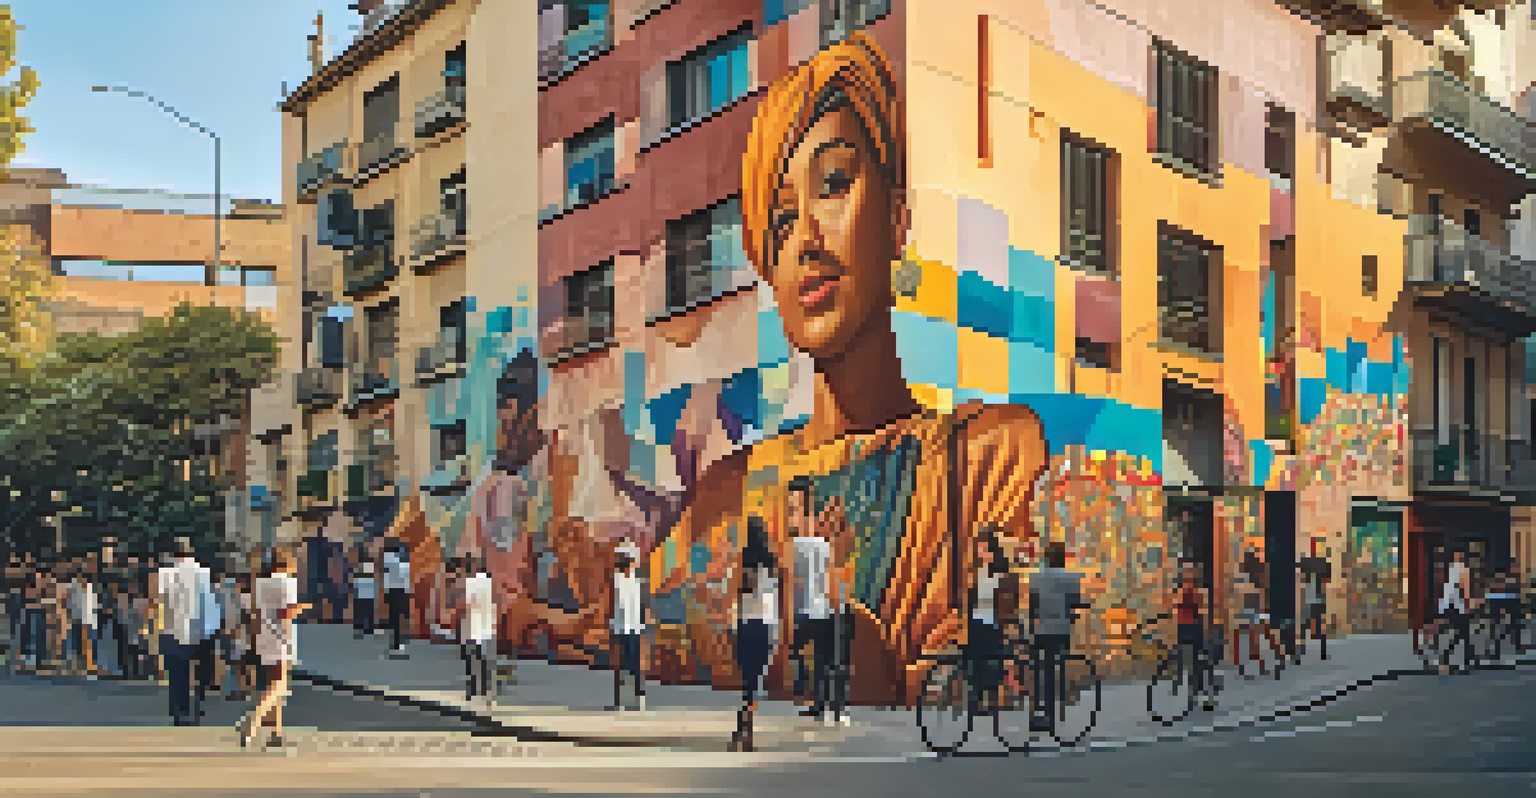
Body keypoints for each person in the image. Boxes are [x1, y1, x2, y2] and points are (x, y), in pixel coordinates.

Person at [652, 31, 1052, 708]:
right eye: (779, 224)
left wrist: (832, 603)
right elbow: (669, 640)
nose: (806, 239)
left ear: (898, 218)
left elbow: (948, 681)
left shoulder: (987, 453)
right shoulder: (728, 490)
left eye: (834, 186)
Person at [239, 548, 310, 749]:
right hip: (281, 637)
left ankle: (276, 733)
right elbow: (285, 612)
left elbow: (254, 611)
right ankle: (254, 719)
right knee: (278, 685)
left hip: (263, 636)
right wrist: (303, 607)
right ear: (287, 563)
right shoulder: (286, 582)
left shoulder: (261, 583)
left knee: (273, 684)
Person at [730, 517, 781, 753]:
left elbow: (738, 599)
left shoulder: (743, 567)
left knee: (747, 679)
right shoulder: (773, 567)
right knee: (757, 680)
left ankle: (744, 723)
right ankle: (746, 723)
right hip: (767, 625)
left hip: (746, 624)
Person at [789, 476, 834, 721]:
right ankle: (820, 701)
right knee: (821, 660)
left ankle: (811, 694)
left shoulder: (796, 546)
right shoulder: (823, 545)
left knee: (798, 650)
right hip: (822, 609)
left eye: (794, 509)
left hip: (805, 610)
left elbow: (790, 580)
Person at [1029, 541, 1084, 731]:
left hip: (1041, 630)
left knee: (1040, 669)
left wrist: (1030, 625)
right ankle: (1054, 711)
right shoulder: (1070, 577)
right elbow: (1075, 602)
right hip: (1061, 629)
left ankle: (1038, 711)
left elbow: (1032, 606)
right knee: (1056, 667)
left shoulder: (1035, 578)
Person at [157, 539, 212, 726]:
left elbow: (159, 601)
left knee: (177, 673)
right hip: (199, 629)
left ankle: (179, 711)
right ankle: (199, 707)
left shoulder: (166, 573)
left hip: (172, 629)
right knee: (199, 672)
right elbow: (209, 602)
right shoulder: (203, 573)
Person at [968, 526, 1018, 717]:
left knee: (992, 663)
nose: (980, 552)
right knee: (976, 662)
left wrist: (1005, 625)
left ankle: (992, 699)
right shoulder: (977, 572)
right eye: (979, 548)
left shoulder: (1002, 573)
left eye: (983, 548)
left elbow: (1006, 602)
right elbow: (972, 598)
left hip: (992, 623)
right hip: (977, 622)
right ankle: (978, 700)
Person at [609, 541, 649, 713]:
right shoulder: (617, 580)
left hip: (633, 626)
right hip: (620, 627)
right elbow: (614, 603)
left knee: (633, 664)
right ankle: (620, 701)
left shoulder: (635, 581)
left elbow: (641, 604)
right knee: (621, 664)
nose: (626, 564)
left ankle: (638, 698)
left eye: (628, 560)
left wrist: (642, 623)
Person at [1171, 560, 1214, 710]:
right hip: (1183, 629)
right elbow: (1175, 612)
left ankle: (1203, 694)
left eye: (1190, 571)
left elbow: (1203, 613)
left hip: (1196, 629)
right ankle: (1189, 693)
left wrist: (1206, 633)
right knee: (1185, 662)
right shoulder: (1180, 591)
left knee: (1199, 663)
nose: (1187, 574)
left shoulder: (1199, 591)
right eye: (1185, 571)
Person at [461, 555, 497, 705]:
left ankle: (472, 689)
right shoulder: (488, 582)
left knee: (471, 658)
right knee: (483, 658)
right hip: (486, 623)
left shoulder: (471, 582)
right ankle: (485, 688)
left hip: (474, 624)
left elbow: (469, 604)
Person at [1438, 548, 1474, 673]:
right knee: (1463, 634)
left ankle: (1453, 657)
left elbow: (1445, 589)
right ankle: (1464, 660)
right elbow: (1466, 589)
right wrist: (1468, 604)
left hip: (1449, 606)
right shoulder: (1464, 570)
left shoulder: (1450, 571)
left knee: (1461, 633)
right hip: (1459, 606)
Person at [195, 564, 225, 714]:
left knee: (199, 664)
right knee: (206, 663)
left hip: (196, 633)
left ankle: (199, 690)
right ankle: (202, 689)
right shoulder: (217, 592)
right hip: (209, 633)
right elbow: (221, 612)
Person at [1296, 538, 1331, 661]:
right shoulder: (1321, 566)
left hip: (1310, 600)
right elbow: (1327, 579)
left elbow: (1301, 576)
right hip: (1317, 600)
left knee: (1305, 626)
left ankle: (1301, 652)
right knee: (1317, 626)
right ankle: (1321, 652)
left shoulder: (1307, 566)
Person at [382, 541, 411, 657]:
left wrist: (386, 591)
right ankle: (399, 643)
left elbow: (387, 576)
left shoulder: (389, 560)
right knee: (400, 618)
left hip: (394, 591)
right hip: (401, 591)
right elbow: (405, 578)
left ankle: (396, 643)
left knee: (394, 619)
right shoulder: (404, 562)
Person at [353, 558, 378, 640]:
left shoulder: (363, 577)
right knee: (365, 614)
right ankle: (365, 629)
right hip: (365, 597)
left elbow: (356, 586)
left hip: (365, 597)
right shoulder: (367, 577)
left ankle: (366, 629)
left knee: (366, 614)